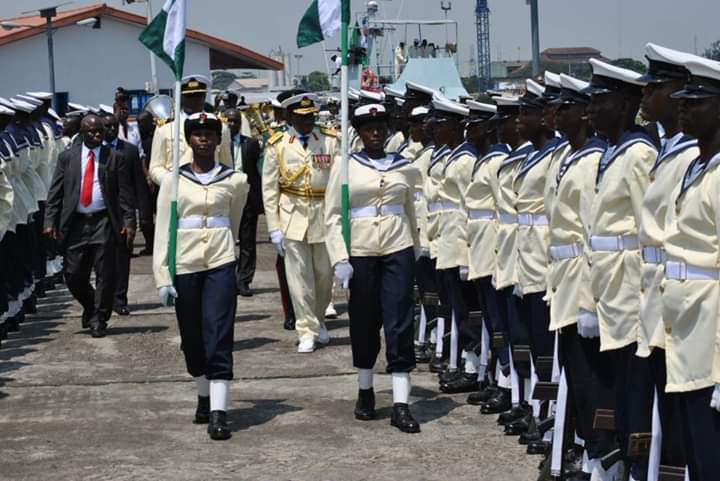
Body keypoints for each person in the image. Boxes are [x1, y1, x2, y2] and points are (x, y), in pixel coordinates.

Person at [325, 103, 421, 433]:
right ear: (360, 133)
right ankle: (365, 391)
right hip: (362, 253)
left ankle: (400, 403)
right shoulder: (346, 166)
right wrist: (340, 258)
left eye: (381, 127)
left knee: (399, 324)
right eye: (369, 128)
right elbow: (334, 216)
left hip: (397, 249)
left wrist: (416, 253)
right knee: (365, 324)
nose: (376, 133)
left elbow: (410, 211)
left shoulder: (403, 166)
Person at [153, 112, 249, 441]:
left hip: (220, 262)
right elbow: (163, 231)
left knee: (219, 334)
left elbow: (233, 220)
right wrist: (163, 276)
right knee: (193, 339)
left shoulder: (235, 180)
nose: (204, 139)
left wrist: (228, 252)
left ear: (219, 140)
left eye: (210, 134)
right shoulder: (173, 182)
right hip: (186, 264)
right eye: (197, 134)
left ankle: (220, 412)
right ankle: (203, 394)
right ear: (189, 140)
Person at [585, 58, 658, 481]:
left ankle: (635, 466)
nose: (593, 109)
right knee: (613, 380)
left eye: (602, 101)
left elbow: (649, 228)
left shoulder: (637, 154)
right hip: (609, 281)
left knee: (633, 383)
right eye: (592, 101)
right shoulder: (612, 152)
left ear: (627, 104)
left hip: (631, 281)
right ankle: (617, 463)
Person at [546, 73, 614, 477]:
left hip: (582, 282)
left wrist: (589, 299)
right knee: (578, 374)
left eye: (565, 108)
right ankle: (589, 455)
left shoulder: (592, 160)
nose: (558, 114)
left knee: (592, 380)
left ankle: (602, 460)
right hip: (565, 279)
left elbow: (593, 233)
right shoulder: (571, 156)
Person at [637, 43, 699, 474]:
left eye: (655, 88)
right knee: (666, 404)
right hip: (660, 293)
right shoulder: (669, 148)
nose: (646, 96)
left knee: (685, 414)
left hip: (687, 297)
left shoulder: (693, 155)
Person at [662, 53, 720, 481]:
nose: (683, 108)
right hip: (687, 328)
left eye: (694, 101)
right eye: (682, 100)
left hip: (711, 337)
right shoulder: (696, 167)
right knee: (696, 453)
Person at [44, 114, 136, 338]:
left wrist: (129, 222)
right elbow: (55, 193)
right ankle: (90, 304)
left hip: (103, 221)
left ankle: (99, 319)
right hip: (75, 224)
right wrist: (49, 220)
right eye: (91, 132)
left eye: (99, 131)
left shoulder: (114, 157)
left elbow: (125, 195)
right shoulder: (67, 158)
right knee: (73, 274)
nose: (96, 135)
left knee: (105, 273)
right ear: (82, 133)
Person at [262, 93, 338, 353]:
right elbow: (270, 190)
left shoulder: (329, 141)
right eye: (301, 118)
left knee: (324, 275)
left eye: (311, 117)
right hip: (292, 216)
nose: (307, 122)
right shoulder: (279, 144)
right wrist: (273, 228)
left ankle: (318, 320)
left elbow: (340, 182)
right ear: (290, 117)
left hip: (324, 215)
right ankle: (306, 329)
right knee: (298, 278)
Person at [102, 113, 149, 315]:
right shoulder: (96, 151)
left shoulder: (129, 151)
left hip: (123, 213)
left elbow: (139, 183)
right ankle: (105, 297)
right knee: (103, 260)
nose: (111, 130)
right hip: (101, 213)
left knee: (122, 258)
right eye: (107, 127)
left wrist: (144, 213)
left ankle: (120, 298)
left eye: (114, 126)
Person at [149, 75, 233, 185]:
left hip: (210, 190)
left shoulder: (221, 128)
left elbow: (226, 164)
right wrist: (170, 181)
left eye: (199, 95)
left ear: (204, 96)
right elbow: (155, 167)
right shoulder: (165, 129)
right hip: (176, 192)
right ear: (181, 97)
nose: (194, 100)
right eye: (189, 96)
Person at [225, 108, 262, 297]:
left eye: (235, 121)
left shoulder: (252, 144)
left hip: (248, 197)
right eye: (229, 121)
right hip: (226, 198)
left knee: (248, 241)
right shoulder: (220, 145)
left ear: (240, 123)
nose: (232, 124)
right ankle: (228, 278)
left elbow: (258, 173)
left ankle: (244, 280)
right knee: (227, 240)